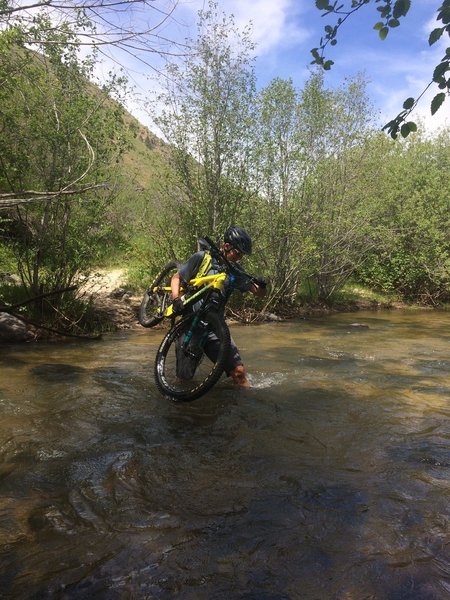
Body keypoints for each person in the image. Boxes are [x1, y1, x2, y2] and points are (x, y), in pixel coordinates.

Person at [170, 225, 267, 388]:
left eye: (242, 255)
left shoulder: (235, 272)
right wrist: (176, 299)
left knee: (238, 372)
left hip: (215, 329)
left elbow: (257, 292)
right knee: (184, 380)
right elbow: (176, 277)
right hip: (190, 326)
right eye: (238, 252)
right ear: (227, 246)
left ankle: (251, 404)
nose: (240, 257)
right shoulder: (202, 258)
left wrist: (262, 285)